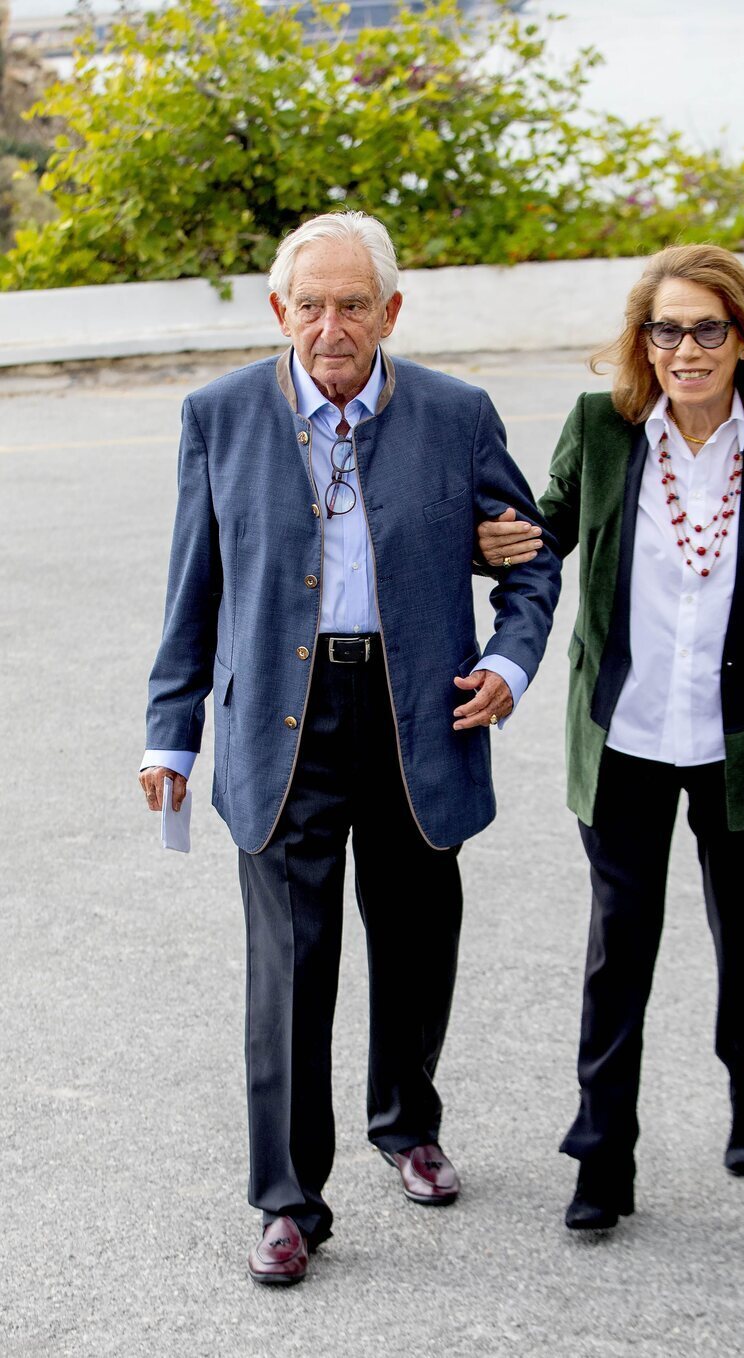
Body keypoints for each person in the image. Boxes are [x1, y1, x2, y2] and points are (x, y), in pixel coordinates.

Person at [140, 210, 560, 1284]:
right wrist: (170, 737)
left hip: (419, 710)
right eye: (311, 304)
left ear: (390, 311)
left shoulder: (456, 414)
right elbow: (195, 590)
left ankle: (405, 1121)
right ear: (280, 309)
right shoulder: (218, 415)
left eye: (354, 304)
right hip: (278, 719)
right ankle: (286, 1199)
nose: (332, 325)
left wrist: (507, 668)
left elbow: (528, 562)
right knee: (289, 968)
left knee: (417, 944)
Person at [478, 243, 744, 1232]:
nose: (683, 348)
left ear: (742, 339)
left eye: (705, 328)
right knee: (620, 946)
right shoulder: (602, 432)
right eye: (664, 329)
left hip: (743, 738)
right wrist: (498, 535)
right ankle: (601, 1151)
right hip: (625, 737)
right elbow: (548, 526)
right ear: (639, 343)